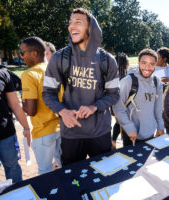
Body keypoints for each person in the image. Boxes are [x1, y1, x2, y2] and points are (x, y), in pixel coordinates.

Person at [42, 8, 119, 166]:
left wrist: (94, 107)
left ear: (91, 28)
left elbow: (114, 94)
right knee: (72, 179)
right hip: (71, 133)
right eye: (70, 23)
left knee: (103, 174)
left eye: (78, 22)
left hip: (100, 132)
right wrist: (62, 111)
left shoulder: (107, 60)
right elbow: (47, 93)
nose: (72, 26)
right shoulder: (59, 58)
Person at [20, 36, 61, 174]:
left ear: (35, 53)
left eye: (23, 52)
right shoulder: (55, 69)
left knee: (45, 173)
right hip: (62, 127)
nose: (21, 56)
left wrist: (23, 102)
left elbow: (31, 110)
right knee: (65, 168)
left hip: (43, 132)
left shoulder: (29, 74)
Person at [113, 49, 164, 146]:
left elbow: (158, 108)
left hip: (150, 132)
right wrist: (129, 127)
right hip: (132, 134)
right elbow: (118, 108)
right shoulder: (128, 81)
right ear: (138, 62)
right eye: (144, 63)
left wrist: (160, 126)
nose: (147, 67)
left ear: (155, 65)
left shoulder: (157, 82)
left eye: (151, 64)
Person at [0, 67, 31, 183]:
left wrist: (26, 127)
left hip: (5, 133)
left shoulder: (2, 74)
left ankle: (17, 194)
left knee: (13, 169)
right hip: (6, 134)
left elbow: (15, 104)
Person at [112, 52, 129, 149]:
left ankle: (113, 141)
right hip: (124, 105)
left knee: (118, 122)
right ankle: (122, 144)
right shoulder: (127, 77)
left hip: (113, 105)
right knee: (123, 123)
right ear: (126, 63)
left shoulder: (112, 75)